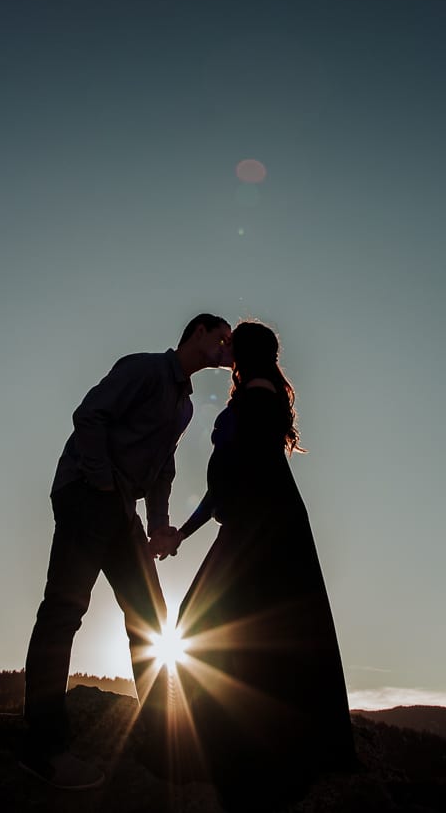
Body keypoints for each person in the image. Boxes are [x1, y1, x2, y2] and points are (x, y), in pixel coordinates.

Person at [20, 313, 232, 790]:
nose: (225, 349)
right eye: (221, 338)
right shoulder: (143, 369)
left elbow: (163, 470)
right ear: (197, 333)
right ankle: (44, 747)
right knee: (64, 611)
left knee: (151, 617)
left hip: (122, 513)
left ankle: (160, 745)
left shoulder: (184, 406)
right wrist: (99, 482)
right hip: (88, 493)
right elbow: (89, 415)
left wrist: (158, 525)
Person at [171, 320, 356, 803]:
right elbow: (224, 487)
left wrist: (187, 531)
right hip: (260, 529)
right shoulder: (257, 396)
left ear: (246, 351)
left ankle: (231, 753)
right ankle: (236, 747)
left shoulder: (257, 397)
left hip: (262, 532)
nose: (224, 347)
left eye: (231, 342)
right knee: (233, 629)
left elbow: (230, 480)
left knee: (213, 625)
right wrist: (183, 534)